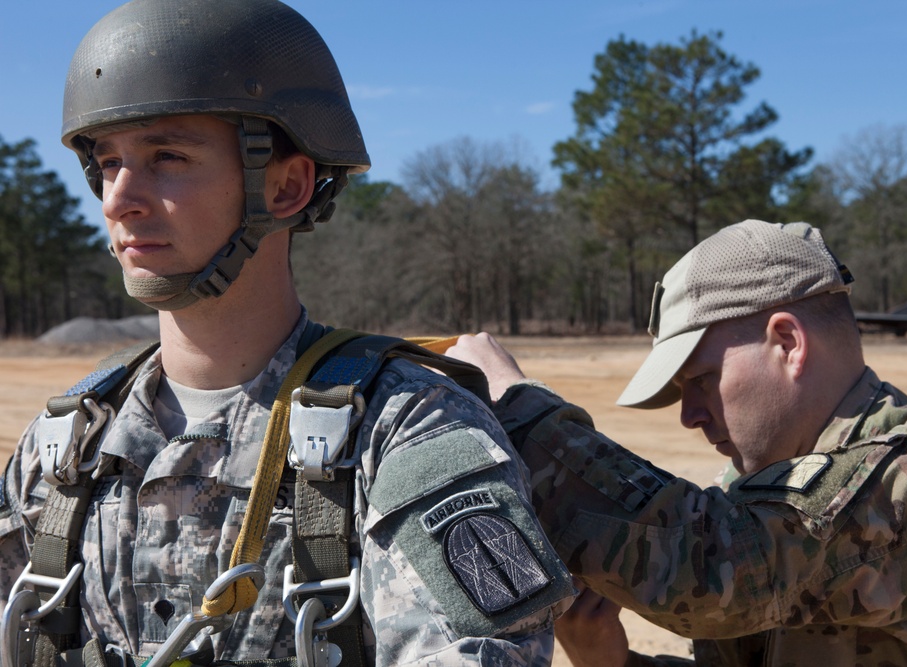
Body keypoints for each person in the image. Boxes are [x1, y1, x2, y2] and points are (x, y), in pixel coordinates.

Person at [0, 1, 574, 665]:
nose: (117, 198)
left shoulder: (408, 429)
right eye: (107, 162)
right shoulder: (65, 447)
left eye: (168, 156)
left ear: (287, 187)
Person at [446, 219, 907, 666]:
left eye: (702, 378)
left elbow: (717, 573)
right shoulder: (764, 490)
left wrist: (519, 407)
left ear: (787, 341)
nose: (689, 415)